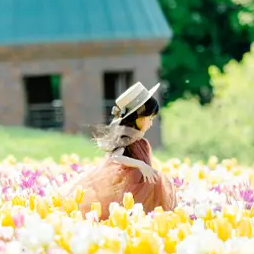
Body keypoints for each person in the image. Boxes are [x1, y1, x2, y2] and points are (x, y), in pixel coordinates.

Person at [67, 82, 178, 220]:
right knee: (130, 206)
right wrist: (140, 165)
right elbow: (115, 157)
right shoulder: (126, 136)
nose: (151, 123)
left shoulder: (138, 139)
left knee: (150, 200)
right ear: (137, 117)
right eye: (149, 119)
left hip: (142, 181)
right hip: (131, 182)